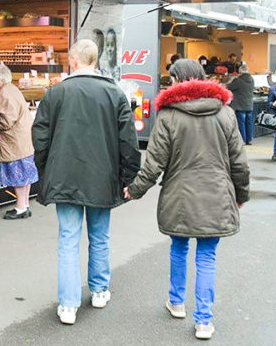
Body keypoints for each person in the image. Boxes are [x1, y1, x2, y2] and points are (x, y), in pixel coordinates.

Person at [123, 59, 250, 341]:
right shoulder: (225, 112)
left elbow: (154, 163)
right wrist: (241, 194)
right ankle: (204, 321)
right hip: (217, 194)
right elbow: (239, 162)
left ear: (178, 80)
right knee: (207, 256)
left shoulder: (168, 115)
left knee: (179, 247)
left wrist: (134, 189)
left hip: (179, 195)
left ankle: (177, 302)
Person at [32, 39, 141, 325]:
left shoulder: (56, 93)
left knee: (68, 240)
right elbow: (128, 141)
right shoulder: (114, 93)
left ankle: (68, 305)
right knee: (100, 236)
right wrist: (129, 177)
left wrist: (45, 169)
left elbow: (40, 136)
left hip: (64, 175)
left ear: (74, 60)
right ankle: (99, 290)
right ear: (94, 60)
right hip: (102, 176)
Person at [0, 63, 37, 219]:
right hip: (23, 140)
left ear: (0, 80)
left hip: (15, 141)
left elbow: (6, 121)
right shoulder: (12, 89)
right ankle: (25, 205)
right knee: (25, 175)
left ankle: (20, 207)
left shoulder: (5, 93)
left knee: (18, 175)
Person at [226, 62, 255, 145]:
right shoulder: (251, 79)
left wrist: (231, 79)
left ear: (240, 72)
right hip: (249, 104)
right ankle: (249, 139)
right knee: (249, 122)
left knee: (241, 123)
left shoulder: (238, 80)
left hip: (240, 105)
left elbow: (228, 87)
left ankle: (242, 139)